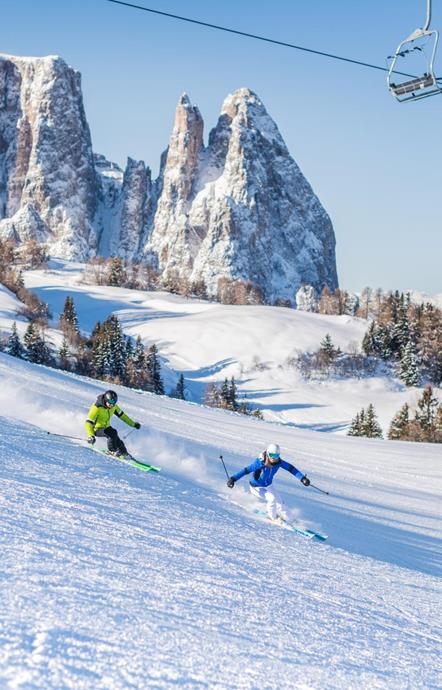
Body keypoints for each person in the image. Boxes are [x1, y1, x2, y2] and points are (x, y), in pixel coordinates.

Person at [226, 443, 310, 524]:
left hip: (268, 485)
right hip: (256, 487)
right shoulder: (259, 463)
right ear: (268, 454)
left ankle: (290, 519)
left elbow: (291, 468)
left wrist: (302, 478)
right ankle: (273, 517)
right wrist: (233, 479)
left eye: (276, 455)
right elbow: (246, 470)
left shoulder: (279, 462)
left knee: (279, 502)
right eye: (272, 455)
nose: (274, 458)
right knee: (272, 498)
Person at [85, 389, 141, 458]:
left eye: (114, 402)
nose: (112, 405)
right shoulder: (96, 407)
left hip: (106, 427)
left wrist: (133, 424)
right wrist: (91, 436)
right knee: (112, 433)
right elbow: (88, 422)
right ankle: (112, 451)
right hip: (96, 429)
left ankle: (124, 453)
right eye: (111, 402)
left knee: (117, 440)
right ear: (106, 400)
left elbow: (123, 416)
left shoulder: (113, 407)